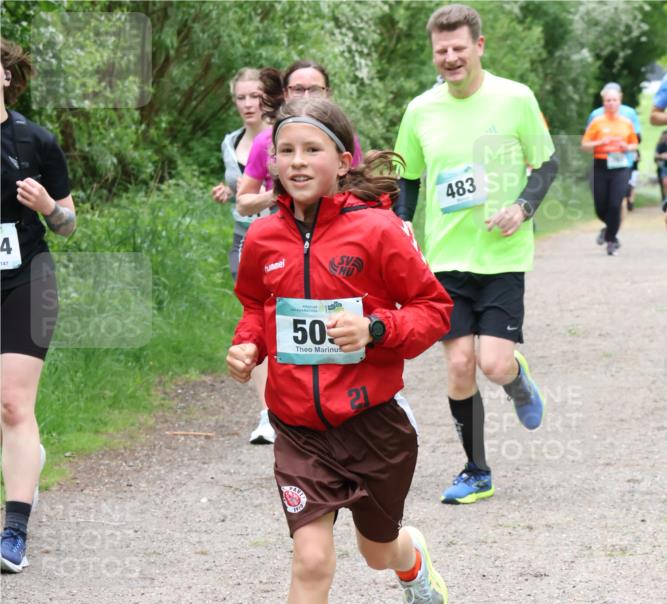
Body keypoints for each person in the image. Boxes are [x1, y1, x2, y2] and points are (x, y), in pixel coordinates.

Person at [226, 97, 452, 604]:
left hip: (373, 425)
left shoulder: (376, 231)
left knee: (376, 551)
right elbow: (256, 306)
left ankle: (409, 558)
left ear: (342, 160)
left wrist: (376, 329)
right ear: (272, 162)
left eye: (311, 150)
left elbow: (433, 309)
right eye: (285, 151)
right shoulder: (263, 237)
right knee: (311, 560)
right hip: (300, 430)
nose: (297, 162)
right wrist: (247, 345)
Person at [393, 4, 558, 505]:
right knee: (460, 364)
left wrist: (522, 208)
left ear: (479, 46)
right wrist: (402, 219)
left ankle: (517, 379)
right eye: (441, 50)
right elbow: (408, 176)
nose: (450, 58)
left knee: (494, 364)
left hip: (502, 257)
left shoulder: (515, 98)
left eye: (458, 48)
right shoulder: (421, 109)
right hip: (446, 261)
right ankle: (476, 471)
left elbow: (547, 165)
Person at [1, 39, 75, 573]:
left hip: (27, 277)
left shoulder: (35, 140)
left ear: (5, 76)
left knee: (12, 403)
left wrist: (49, 205)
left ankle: (14, 532)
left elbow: (68, 223)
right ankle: (28, 459)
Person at [211, 67, 278, 445]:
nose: (249, 104)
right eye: (241, 97)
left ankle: (296, 402)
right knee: (256, 319)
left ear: (268, 98)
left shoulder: (282, 136)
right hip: (244, 238)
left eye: (255, 96)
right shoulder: (230, 141)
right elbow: (238, 187)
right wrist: (226, 192)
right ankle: (268, 414)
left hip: (281, 236)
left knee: (285, 317)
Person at [235, 60, 363, 218]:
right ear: (286, 94)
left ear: (327, 94)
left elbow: (360, 191)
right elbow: (242, 205)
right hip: (283, 227)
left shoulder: (343, 138)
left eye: (315, 90)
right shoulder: (265, 141)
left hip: (337, 225)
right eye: (298, 89)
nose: (306, 97)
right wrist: (280, 192)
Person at [581, 84, 638, 256]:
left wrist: (626, 146)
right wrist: (600, 142)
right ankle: (610, 228)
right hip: (600, 165)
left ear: (620, 101)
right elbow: (584, 145)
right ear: (603, 102)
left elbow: (634, 144)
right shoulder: (597, 122)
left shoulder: (626, 123)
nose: (611, 103)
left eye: (614, 100)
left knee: (615, 203)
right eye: (608, 100)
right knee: (600, 205)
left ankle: (611, 240)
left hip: (620, 166)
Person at [655, 129, 667, 216]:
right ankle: (665, 199)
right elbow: (656, 156)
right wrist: (662, 156)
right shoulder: (660, 145)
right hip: (664, 167)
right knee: (665, 184)